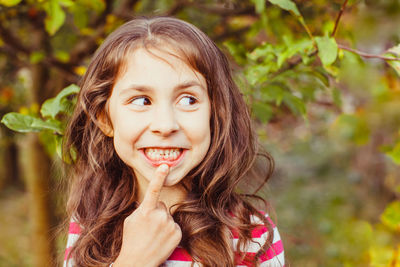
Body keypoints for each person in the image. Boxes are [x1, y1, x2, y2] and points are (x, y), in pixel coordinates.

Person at [63, 16, 284, 267]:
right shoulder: (89, 224)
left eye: (188, 100)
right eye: (141, 101)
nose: (166, 125)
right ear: (105, 119)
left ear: (215, 115)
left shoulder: (252, 237)